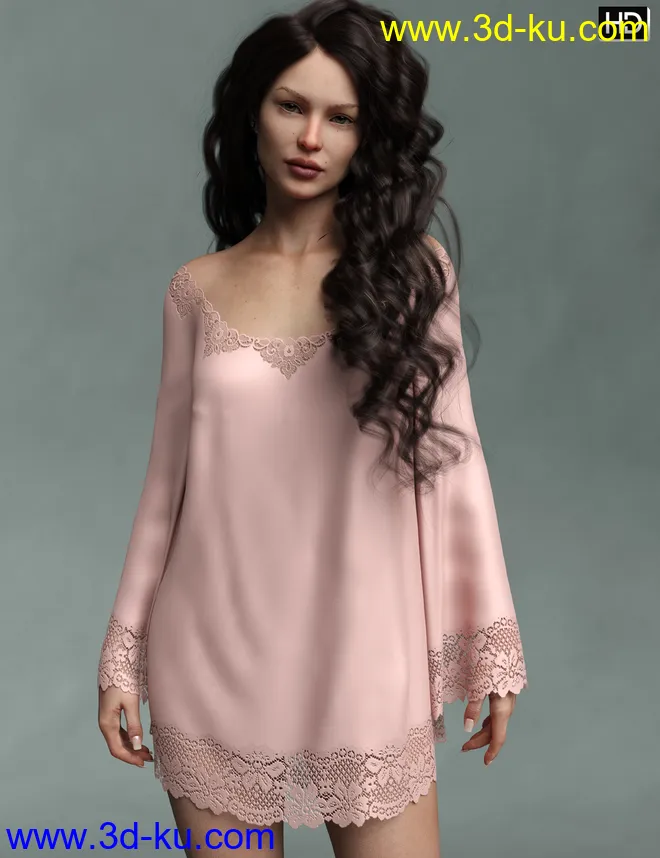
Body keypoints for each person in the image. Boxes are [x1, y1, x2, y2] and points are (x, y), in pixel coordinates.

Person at [96, 0, 528, 855]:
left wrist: (491, 641)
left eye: (341, 118)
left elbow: (459, 462)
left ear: (367, 136)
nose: (309, 138)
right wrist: (121, 651)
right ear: (251, 111)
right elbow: (165, 487)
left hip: (366, 660)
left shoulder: (412, 275)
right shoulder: (195, 289)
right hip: (210, 657)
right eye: (291, 106)